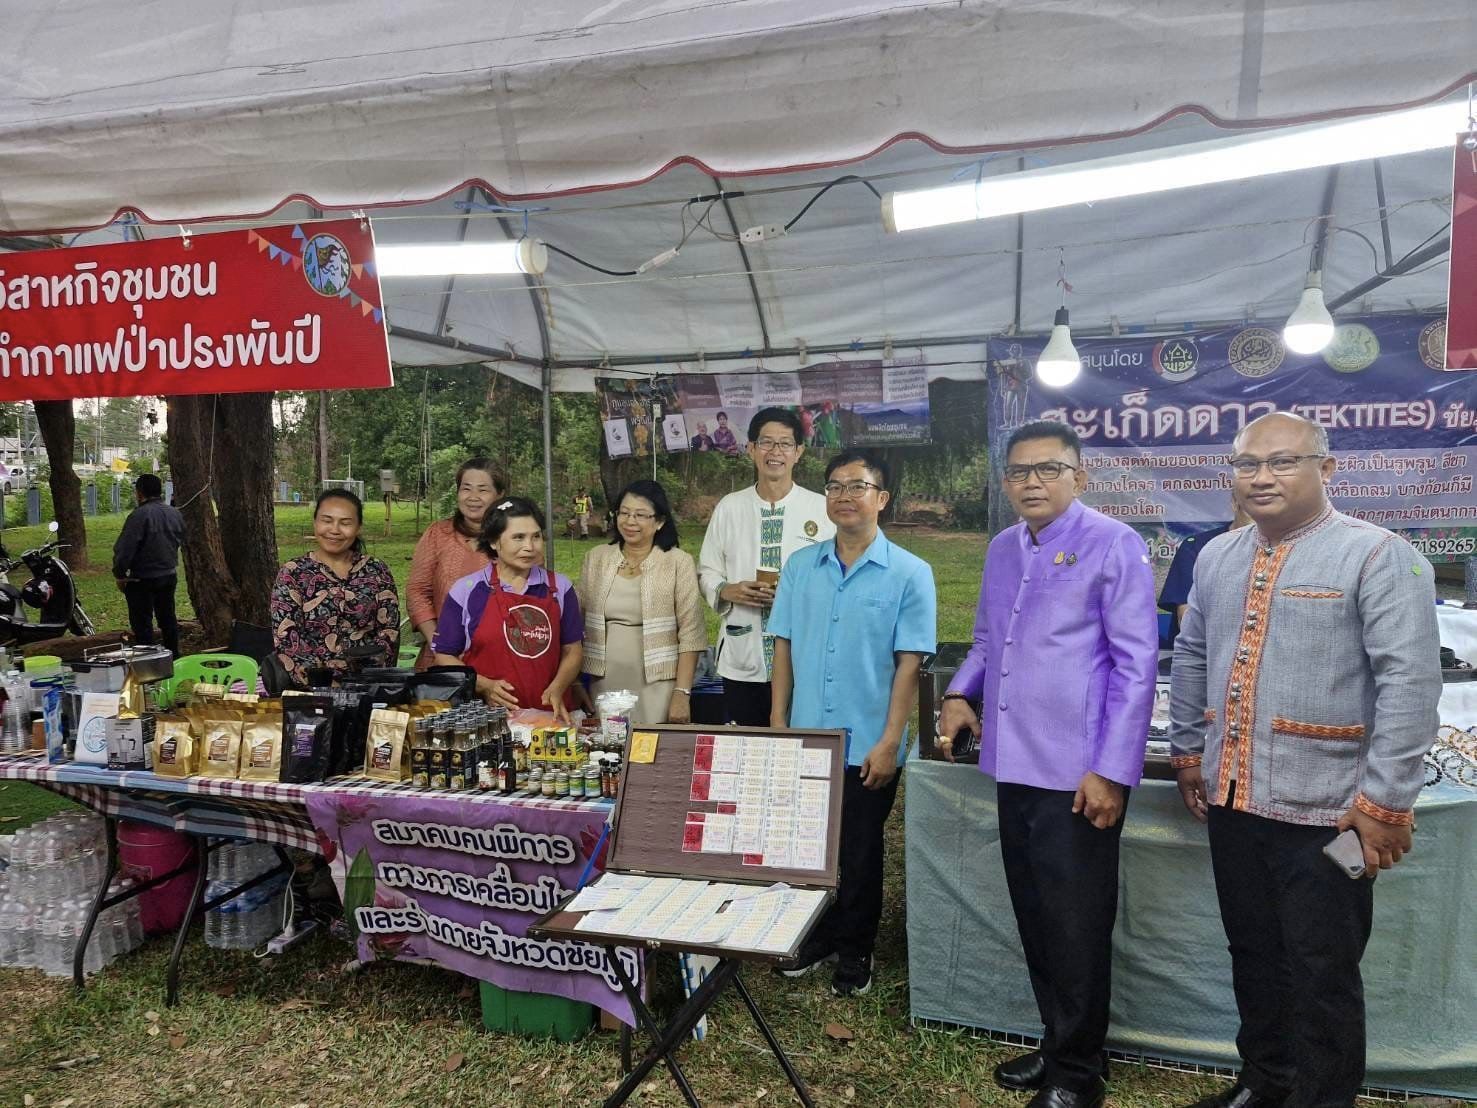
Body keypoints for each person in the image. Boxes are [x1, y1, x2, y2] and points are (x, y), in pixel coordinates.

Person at [1169, 412, 1441, 1108]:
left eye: (1283, 461)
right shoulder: (1216, 557)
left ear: (1326, 469)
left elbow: (1409, 684)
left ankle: (1321, 1100)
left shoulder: (1378, 555)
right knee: (1253, 956)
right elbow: (1193, 655)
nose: (1260, 477)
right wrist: (1188, 754)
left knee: (1321, 972)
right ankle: (1265, 1084)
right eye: (1245, 464)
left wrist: (1383, 806)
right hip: (1233, 800)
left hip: (1327, 809)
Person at [938, 419, 1158, 1108]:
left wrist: (1110, 771)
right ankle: (1056, 1043)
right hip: (1012, 766)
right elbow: (984, 640)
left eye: (1047, 469)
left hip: (1076, 776)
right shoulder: (1004, 548)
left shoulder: (1112, 544)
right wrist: (955, 693)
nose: (1030, 482)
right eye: (1017, 472)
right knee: (1035, 915)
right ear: (1004, 482)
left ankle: (1077, 1077)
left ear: (1078, 476)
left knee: (1076, 925)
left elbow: (1135, 667)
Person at [769, 449, 936, 998]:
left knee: (860, 849)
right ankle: (816, 935)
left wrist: (891, 741)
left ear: (881, 499)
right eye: (835, 486)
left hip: (867, 738)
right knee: (807, 847)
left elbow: (909, 664)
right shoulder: (800, 567)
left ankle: (855, 947)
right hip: (806, 735)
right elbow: (785, 647)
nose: (845, 495)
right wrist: (778, 721)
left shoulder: (912, 573)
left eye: (858, 486)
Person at [698, 407, 834, 725]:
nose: (775, 452)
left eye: (785, 443)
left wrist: (793, 596)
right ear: (751, 449)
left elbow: (837, 576)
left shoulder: (821, 509)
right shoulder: (730, 507)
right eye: (766, 443)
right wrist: (727, 590)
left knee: (806, 748)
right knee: (752, 745)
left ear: (799, 452)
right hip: (743, 648)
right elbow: (707, 569)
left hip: (806, 654)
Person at [432, 497, 583, 724]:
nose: (529, 547)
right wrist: (483, 684)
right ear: (494, 541)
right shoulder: (467, 590)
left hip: (549, 718)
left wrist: (558, 687)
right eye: (518, 537)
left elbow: (573, 649)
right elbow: (443, 654)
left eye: (536, 536)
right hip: (487, 720)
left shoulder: (559, 588)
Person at [578, 480, 706, 726]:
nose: (630, 521)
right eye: (624, 513)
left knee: (651, 754)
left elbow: (692, 632)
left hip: (658, 684)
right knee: (609, 752)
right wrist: (574, 682)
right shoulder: (596, 558)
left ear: (659, 521)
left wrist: (682, 692)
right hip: (604, 682)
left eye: (640, 515)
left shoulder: (678, 562)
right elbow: (575, 625)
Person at [272, 489, 400, 687]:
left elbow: (389, 631)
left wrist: (365, 679)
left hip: (368, 688)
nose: (335, 530)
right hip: (311, 693)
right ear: (315, 523)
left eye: (345, 523)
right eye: (327, 520)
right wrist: (323, 683)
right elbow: (286, 637)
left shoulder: (377, 571)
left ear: (358, 528)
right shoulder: (293, 573)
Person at [405, 458, 506, 667]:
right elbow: (417, 591)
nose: (473, 497)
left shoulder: (515, 538)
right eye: (466, 488)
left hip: (499, 660)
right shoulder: (438, 534)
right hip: (440, 661)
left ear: (499, 495)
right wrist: (440, 644)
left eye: (483, 490)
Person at [1158, 498, 1250, 646]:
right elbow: (1187, 621)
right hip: (1208, 656)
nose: (1260, 515)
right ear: (1234, 503)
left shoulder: (1285, 547)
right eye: (1252, 505)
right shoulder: (1198, 547)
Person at [112, 473, 186, 656]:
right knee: (167, 618)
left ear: (139, 493)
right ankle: (173, 656)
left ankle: (150, 660)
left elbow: (125, 549)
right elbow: (180, 538)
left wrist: (120, 574)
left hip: (142, 578)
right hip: (168, 575)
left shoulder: (138, 516)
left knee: (142, 623)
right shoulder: (174, 513)